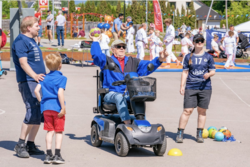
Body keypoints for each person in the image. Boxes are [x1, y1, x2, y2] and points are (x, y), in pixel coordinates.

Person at [89, 36, 169, 124]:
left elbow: (148, 66)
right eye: (118, 46)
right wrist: (95, 41)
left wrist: (160, 59)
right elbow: (96, 56)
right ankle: (127, 124)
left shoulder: (133, 61)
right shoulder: (106, 60)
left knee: (138, 96)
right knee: (119, 97)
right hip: (111, 93)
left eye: (124, 47)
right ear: (113, 49)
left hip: (128, 93)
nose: (122, 48)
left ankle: (141, 122)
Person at [12, 16, 46, 158]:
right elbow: (23, 63)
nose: (39, 27)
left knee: (39, 113)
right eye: (37, 25)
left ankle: (30, 144)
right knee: (32, 110)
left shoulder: (31, 41)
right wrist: (35, 76)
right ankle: (20, 144)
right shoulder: (21, 41)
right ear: (28, 27)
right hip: (28, 81)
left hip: (38, 81)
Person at [176, 34, 216, 143]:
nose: (199, 42)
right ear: (193, 42)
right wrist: (182, 86)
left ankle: (199, 133)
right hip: (191, 86)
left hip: (205, 87)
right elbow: (185, 72)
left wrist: (209, 74)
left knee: (202, 111)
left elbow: (213, 71)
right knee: (187, 110)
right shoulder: (188, 56)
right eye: (197, 40)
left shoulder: (208, 57)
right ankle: (180, 132)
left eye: (201, 40)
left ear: (203, 42)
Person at [34, 53, 67, 164]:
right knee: (58, 131)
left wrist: (41, 102)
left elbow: (36, 91)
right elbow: (60, 93)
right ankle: (57, 155)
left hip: (46, 108)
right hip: (57, 107)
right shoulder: (62, 78)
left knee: (49, 131)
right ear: (60, 65)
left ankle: (48, 155)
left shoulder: (44, 77)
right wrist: (63, 107)